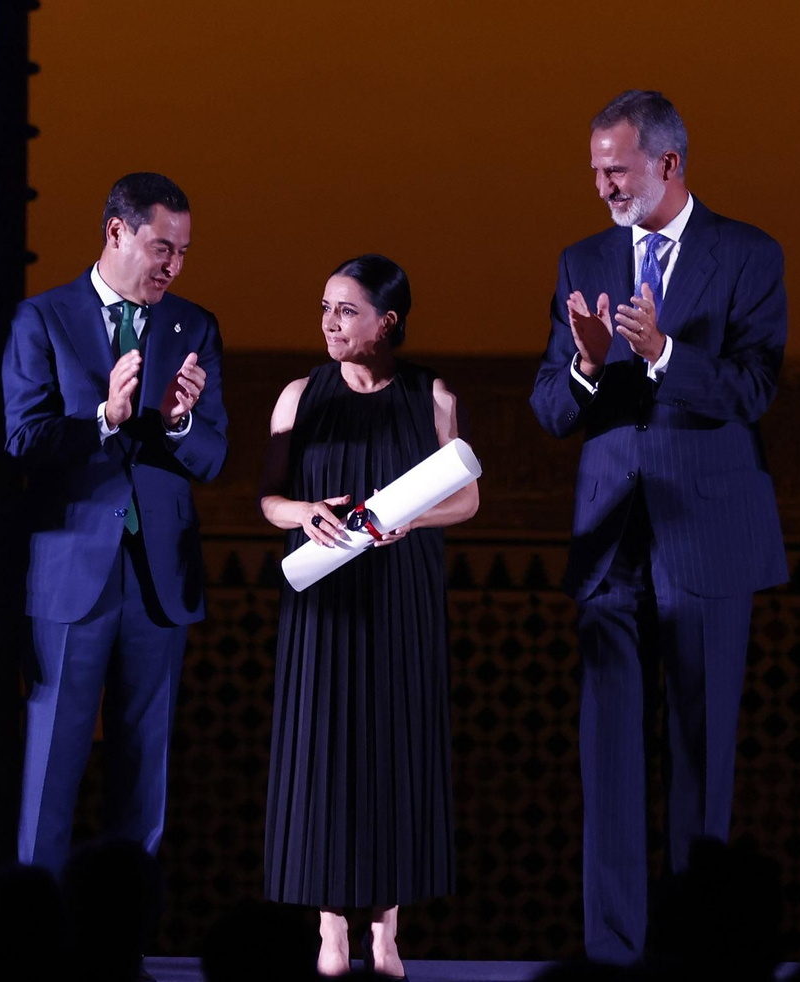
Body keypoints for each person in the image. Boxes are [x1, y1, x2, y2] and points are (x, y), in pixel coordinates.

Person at [529, 89, 788, 963]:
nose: (603, 184)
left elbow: (755, 389)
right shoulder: (582, 259)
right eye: (595, 170)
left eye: (618, 169)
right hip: (611, 539)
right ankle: (612, 952)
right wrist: (586, 365)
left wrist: (664, 355)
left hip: (708, 533)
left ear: (668, 164)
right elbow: (549, 408)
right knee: (607, 760)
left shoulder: (748, 254)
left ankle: (698, 955)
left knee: (700, 755)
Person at [259, 255, 478, 977]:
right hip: (322, 598)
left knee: (394, 751)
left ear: (387, 322)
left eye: (347, 310)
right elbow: (269, 499)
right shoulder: (299, 395)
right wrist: (305, 513)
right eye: (325, 307)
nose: (330, 322)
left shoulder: (431, 395)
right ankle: (330, 930)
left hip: (400, 594)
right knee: (322, 751)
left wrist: (411, 522)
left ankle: (386, 932)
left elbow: (467, 498)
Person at [4, 172, 227, 874]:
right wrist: (104, 417)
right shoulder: (43, 318)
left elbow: (213, 457)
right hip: (72, 571)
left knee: (143, 773)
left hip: (159, 579)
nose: (173, 266)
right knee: (52, 763)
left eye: (183, 252)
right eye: (162, 248)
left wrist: (180, 421)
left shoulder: (194, 326)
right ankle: (37, 923)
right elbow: (24, 441)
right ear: (116, 232)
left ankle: (126, 928)